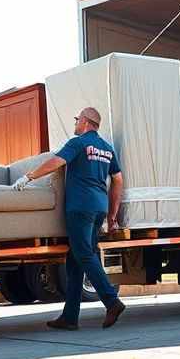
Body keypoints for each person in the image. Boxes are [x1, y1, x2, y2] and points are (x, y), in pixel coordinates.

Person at [11, 107, 126, 330]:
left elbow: (56, 161)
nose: (75, 122)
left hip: (80, 207)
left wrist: (29, 177)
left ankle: (112, 301)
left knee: (84, 254)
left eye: (77, 119)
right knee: (75, 263)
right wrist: (112, 215)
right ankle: (70, 317)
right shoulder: (107, 148)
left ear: (85, 121)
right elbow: (118, 180)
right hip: (99, 207)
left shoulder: (78, 142)